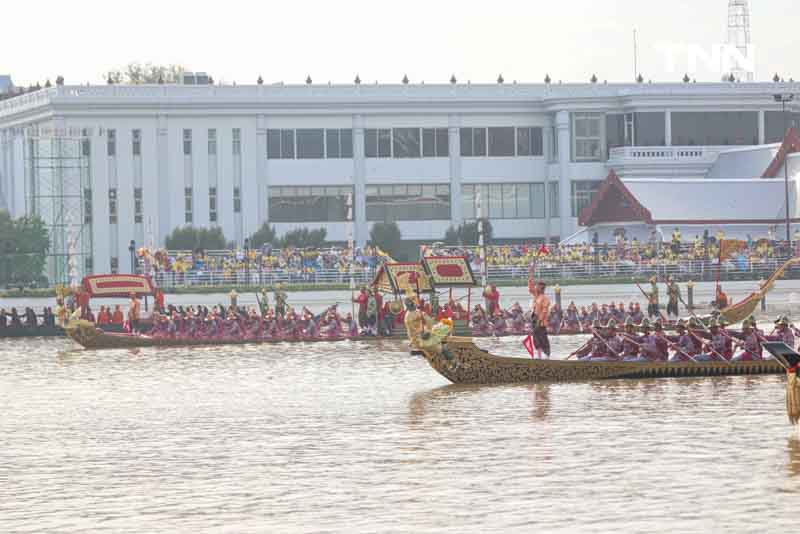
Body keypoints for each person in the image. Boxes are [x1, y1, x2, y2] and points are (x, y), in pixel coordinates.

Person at [529, 280, 551, 359]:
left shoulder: (545, 299)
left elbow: (544, 311)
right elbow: (530, 288)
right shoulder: (536, 295)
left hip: (541, 321)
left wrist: (539, 320)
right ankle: (539, 356)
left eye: (537, 287)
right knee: (536, 338)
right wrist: (531, 274)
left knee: (542, 338)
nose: (535, 288)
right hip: (534, 318)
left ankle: (547, 355)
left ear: (541, 288)